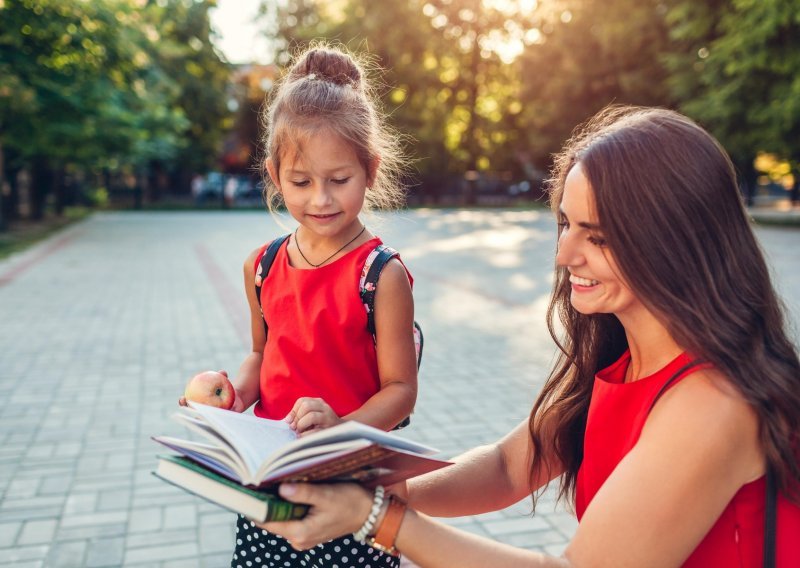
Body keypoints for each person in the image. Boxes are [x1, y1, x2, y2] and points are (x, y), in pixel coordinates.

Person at [256, 106, 800, 566]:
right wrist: (380, 488)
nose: (564, 256)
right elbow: (508, 465)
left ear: (675, 241)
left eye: (600, 236)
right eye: (565, 224)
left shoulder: (714, 403)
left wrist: (377, 519)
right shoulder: (623, 360)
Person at [180, 44, 417, 568]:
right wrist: (234, 397)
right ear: (273, 173)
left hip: (349, 485)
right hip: (272, 481)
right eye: (301, 182)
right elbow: (262, 356)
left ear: (371, 169)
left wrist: (340, 425)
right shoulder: (261, 267)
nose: (321, 200)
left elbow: (400, 390)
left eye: (340, 180)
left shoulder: (381, 276)